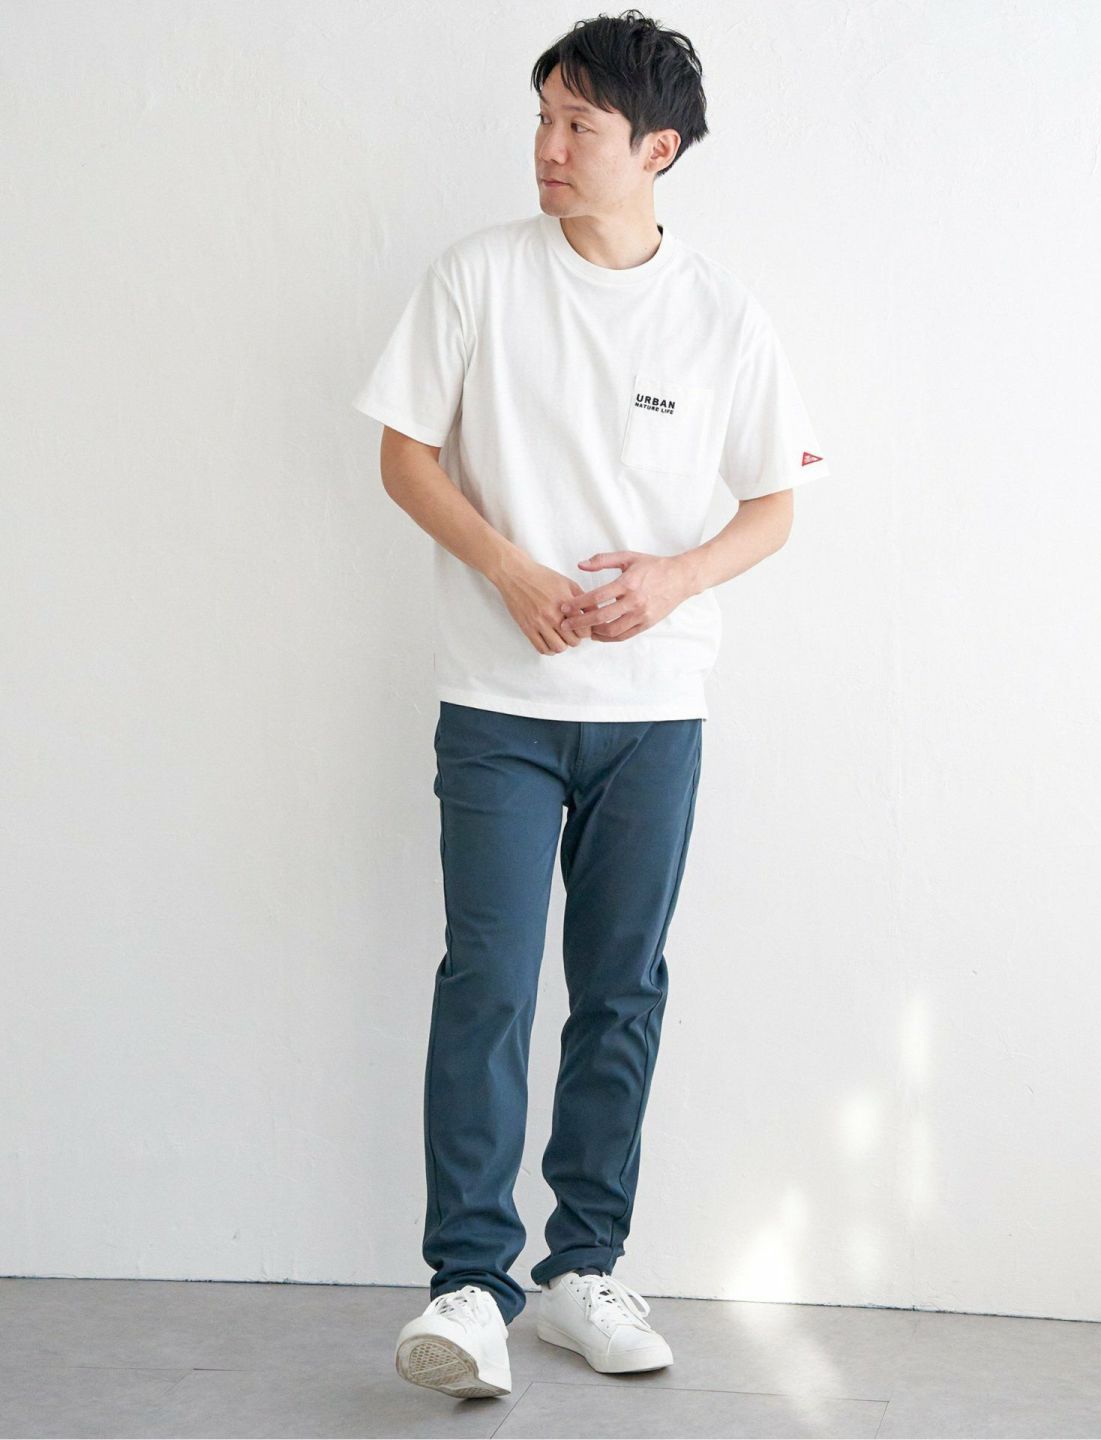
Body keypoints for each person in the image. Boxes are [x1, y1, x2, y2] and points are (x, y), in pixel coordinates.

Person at [353, 9, 832, 1401]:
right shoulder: (476, 278)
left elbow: (774, 505)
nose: (548, 146)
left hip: (655, 713)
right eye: (544, 116)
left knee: (620, 992)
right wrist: (507, 568)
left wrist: (674, 580)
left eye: (581, 125)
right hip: (496, 702)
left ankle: (584, 1272)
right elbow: (404, 455)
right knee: (490, 984)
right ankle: (468, 1285)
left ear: (658, 149)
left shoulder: (722, 314)